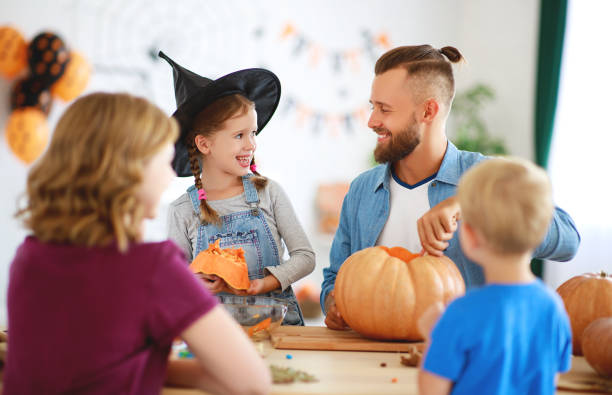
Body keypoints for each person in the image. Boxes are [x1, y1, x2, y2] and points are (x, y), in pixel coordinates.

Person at [5, 93, 270, 395]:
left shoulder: (28, 259)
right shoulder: (153, 269)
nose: (171, 175)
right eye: (165, 162)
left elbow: (83, 365)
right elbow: (253, 382)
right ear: (130, 172)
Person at [321, 44, 580, 330]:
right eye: (373, 107)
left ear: (428, 110)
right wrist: (334, 303)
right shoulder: (362, 190)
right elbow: (335, 279)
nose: (372, 121)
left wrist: (470, 202)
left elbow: (568, 239)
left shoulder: (485, 176)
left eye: (385, 109)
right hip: (372, 361)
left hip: (465, 362)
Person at [160, 52, 315, 326]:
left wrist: (264, 283)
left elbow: (305, 257)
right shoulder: (182, 211)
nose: (251, 145)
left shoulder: (269, 193)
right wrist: (193, 282)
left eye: (253, 133)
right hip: (219, 335)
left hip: (280, 332)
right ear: (205, 145)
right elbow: (173, 282)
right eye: (239, 136)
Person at [418, 157, 572, 395]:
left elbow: (431, 390)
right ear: (541, 230)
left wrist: (434, 336)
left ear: (469, 235)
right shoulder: (554, 307)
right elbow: (549, 380)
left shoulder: (460, 314)